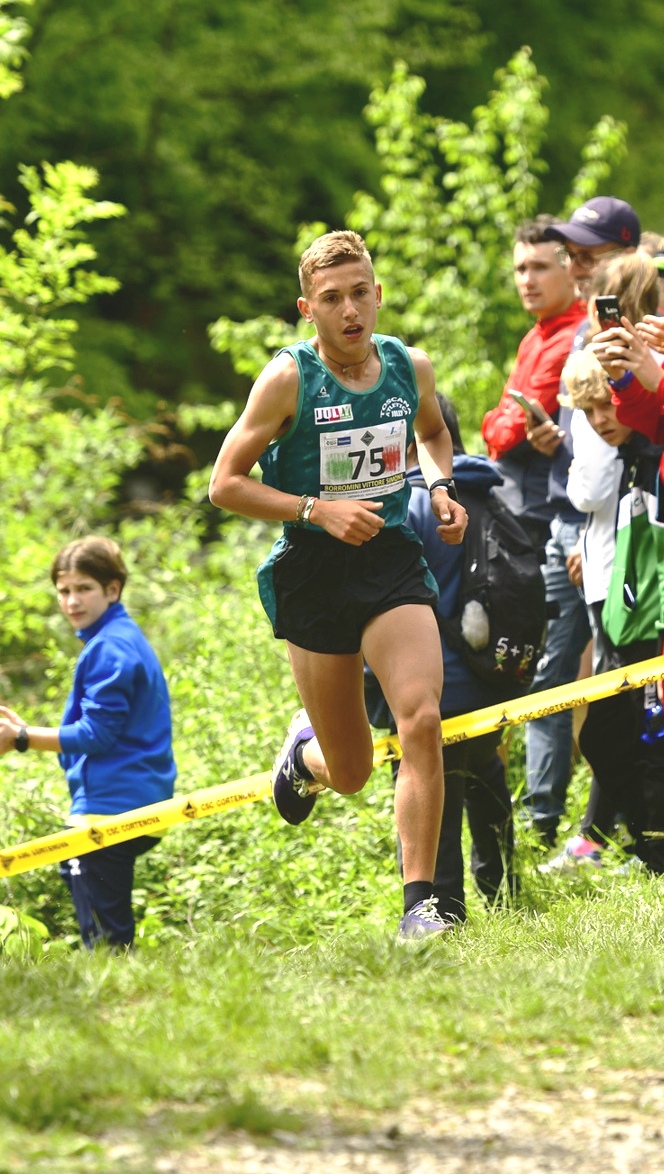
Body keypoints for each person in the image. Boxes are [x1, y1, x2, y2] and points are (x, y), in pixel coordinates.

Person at [208, 229, 468, 941]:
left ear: (378, 295)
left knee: (420, 719)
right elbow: (223, 484)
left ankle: (420, 907)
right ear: (307, 309)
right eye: (331, 299)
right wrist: (314, 509)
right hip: (314, 572)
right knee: (351, 772)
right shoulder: (288, 378)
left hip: (389, 560)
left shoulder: (408, 366)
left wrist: (440, 487)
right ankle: (305, 754)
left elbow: (433, 434)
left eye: (359, 294)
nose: (350, 311)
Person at [513, 198, 642, 843]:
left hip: (615, 535)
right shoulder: (580, 335)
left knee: (614, 686)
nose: (577, 266)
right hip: (583, 530)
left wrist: (597, 536)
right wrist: (553, 442)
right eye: (573, 254)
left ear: (627, 256)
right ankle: (590, 827)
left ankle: (603, 831)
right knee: (589, 684)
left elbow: (624, 457)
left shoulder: (625, 341)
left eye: (590, 255)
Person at [365, 396, 522, 922]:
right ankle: (507, 892)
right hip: (488, 678)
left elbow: (379, 607)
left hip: (426, 692)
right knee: (486, 774)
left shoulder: (406, 509)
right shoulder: (487, 493)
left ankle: (442, 912)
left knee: (433, 796)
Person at [0, 536, 177, 949]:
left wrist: (20, 738)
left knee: (104, 939)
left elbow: (96, 735)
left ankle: (116, 981)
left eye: (84, 588)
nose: (71, 601)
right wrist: (26, 732)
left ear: (112, 589)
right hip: (130, 798)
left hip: (112, 807)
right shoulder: (119, 638)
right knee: (97, 910)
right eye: (63, 590)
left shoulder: (109, 647)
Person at [481, 215, 589, 843]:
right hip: (532, 527)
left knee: (552, 672)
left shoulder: (574, 337)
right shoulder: (535, 337)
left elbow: (502, 430)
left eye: (540, 266)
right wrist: (503, 425)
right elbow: (499, 425)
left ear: (570, 269)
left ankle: (549, 820)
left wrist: (504, 426)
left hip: (553, 528)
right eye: (520, 268)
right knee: (537, 669)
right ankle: (549, 816)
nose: (528, 278)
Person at [542, 347, 664, 873]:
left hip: (646, 613)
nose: (597, 421)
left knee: (641, 732)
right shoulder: (630, 453)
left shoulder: (650, 451)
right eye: (586, 412)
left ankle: (650, 849)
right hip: (621, 606)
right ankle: (641, 841)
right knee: (604, 732)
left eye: (604, 406)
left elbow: (589, 493)